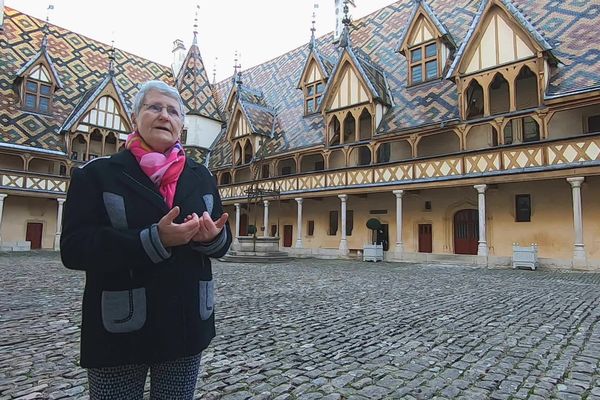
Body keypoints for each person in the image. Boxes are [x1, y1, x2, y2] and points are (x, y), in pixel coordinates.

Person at [60, 80, 231, 399]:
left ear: (182, 125)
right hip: (122, 328)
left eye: (173, 111)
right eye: (154, 107)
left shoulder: (202, 176)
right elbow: (74, 248)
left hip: (185, 325)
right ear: (134, 118)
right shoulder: (97, 175)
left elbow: (222, 239)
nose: (164, 115)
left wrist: (214, 238)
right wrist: (153, 239)